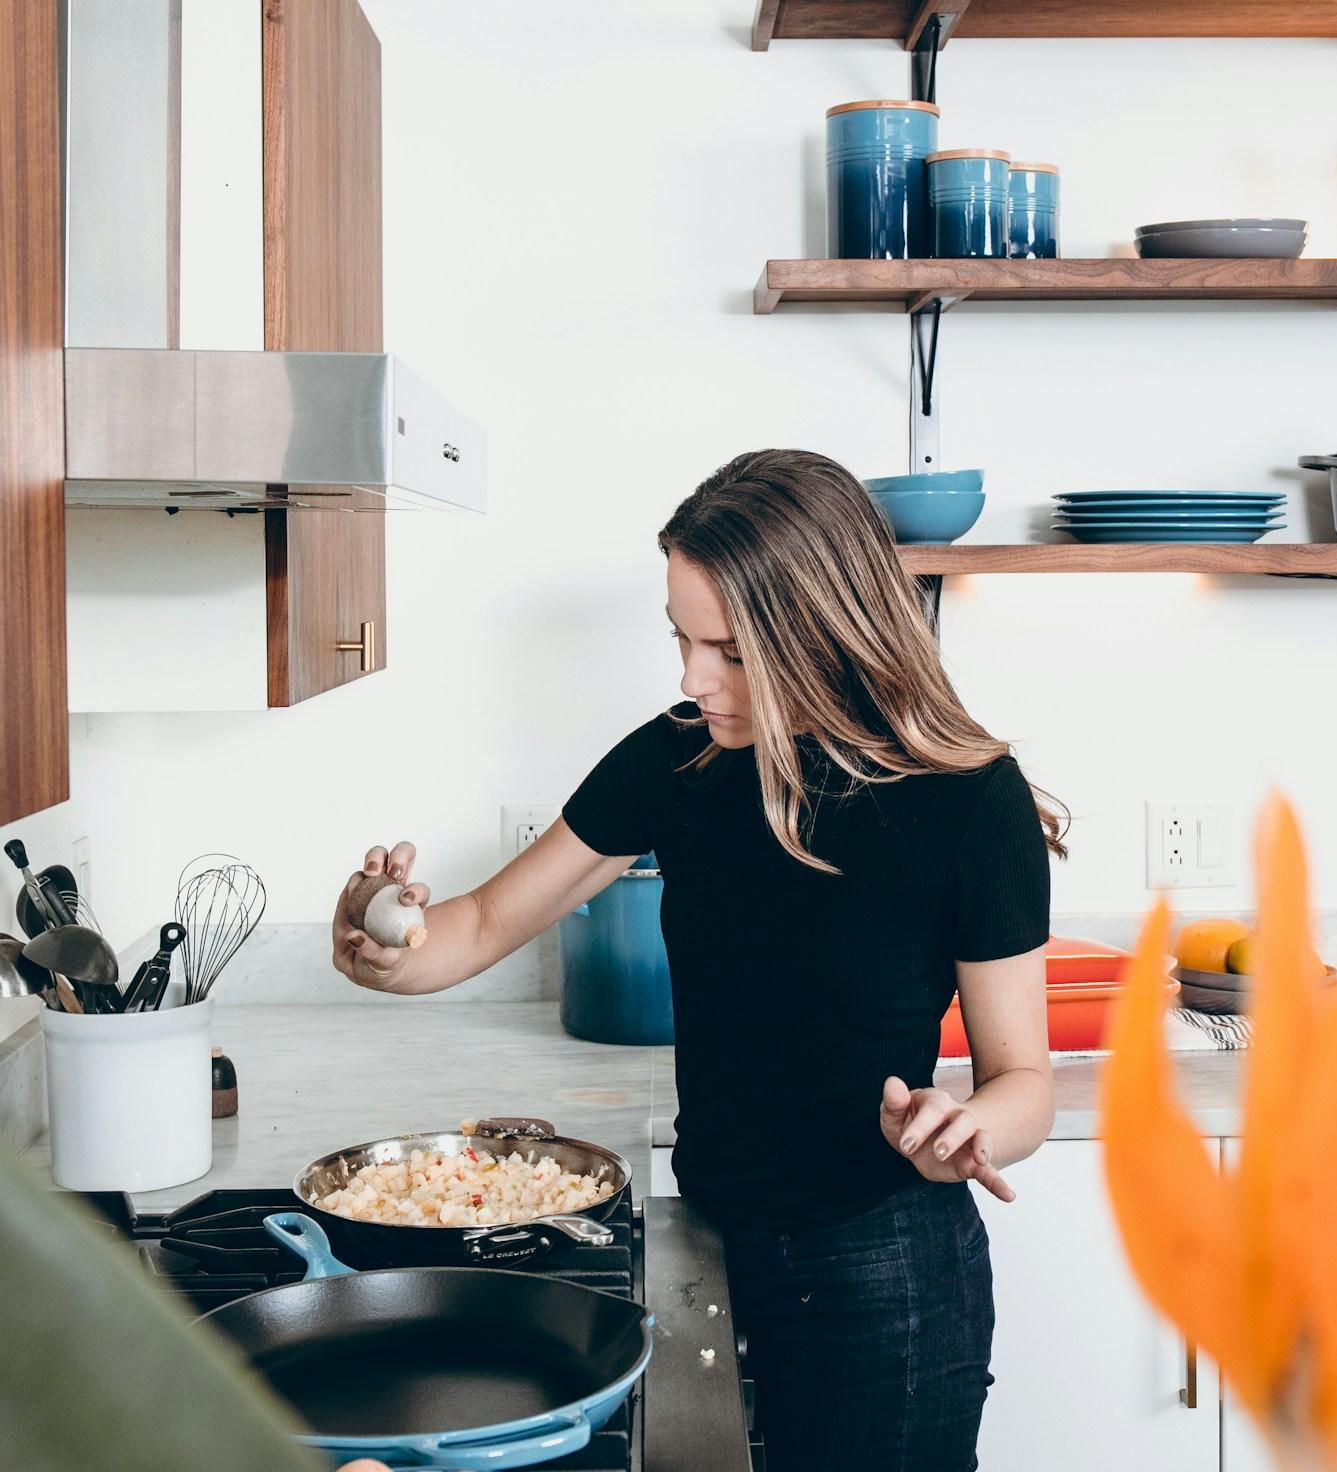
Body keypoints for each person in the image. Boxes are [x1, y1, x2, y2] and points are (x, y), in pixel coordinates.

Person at [332, 449, 1064, 1472]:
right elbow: (486, 920)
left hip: (886, 1266)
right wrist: (381, 947)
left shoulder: (968, 801)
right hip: (708, 1233)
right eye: (680, 636)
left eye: (727, 648)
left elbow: (1023, 1081)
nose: (690, 676)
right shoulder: (680, 759)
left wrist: (967, 1127)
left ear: (823, 632)